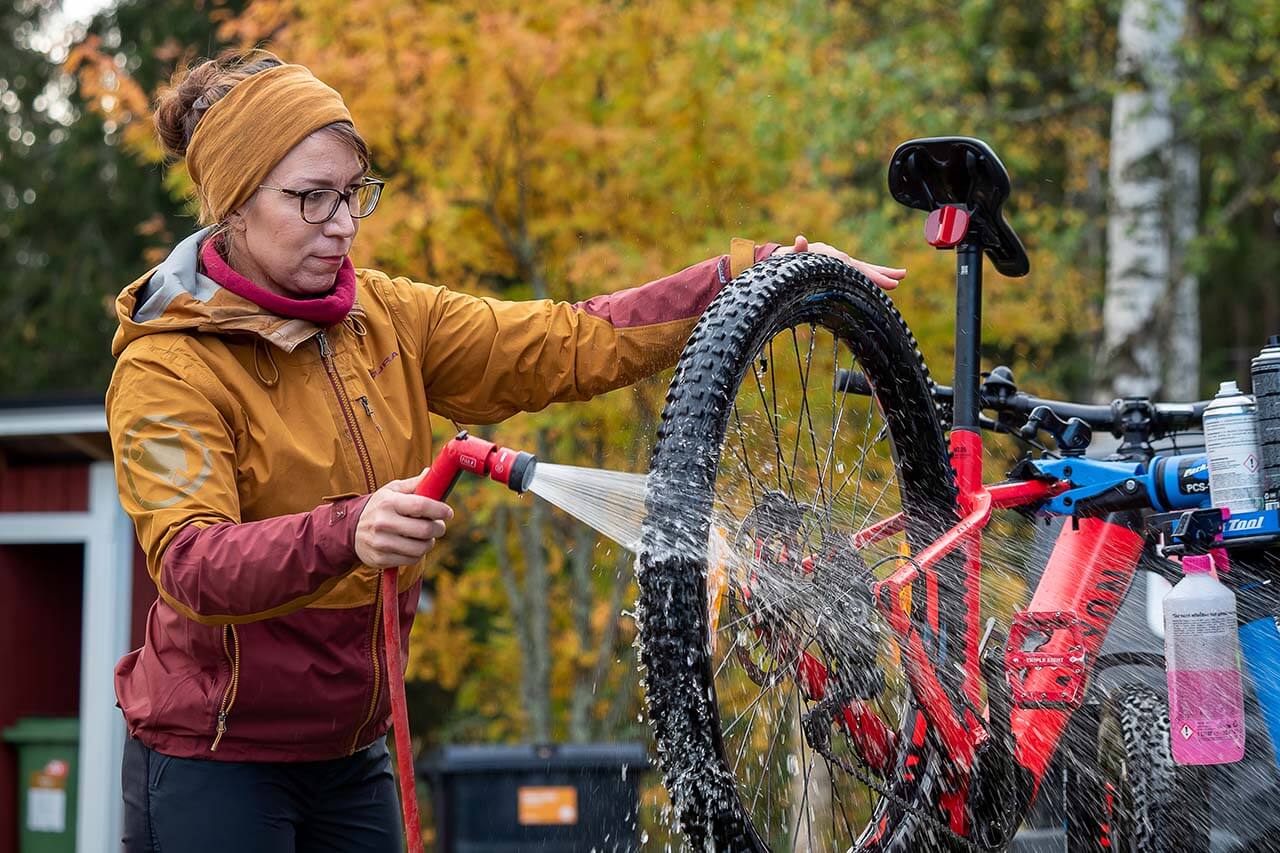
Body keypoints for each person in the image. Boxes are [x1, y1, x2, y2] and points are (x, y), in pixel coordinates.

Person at [107, 49, 906, 852]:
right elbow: (190, 562)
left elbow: (568, 341)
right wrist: (345, 531)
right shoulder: (166, 367)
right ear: (233, 207)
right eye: (311, 198)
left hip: (352, 755)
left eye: (352, 193)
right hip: (214, 759)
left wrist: (752, 274)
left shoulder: (385, 316)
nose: (344, 223)